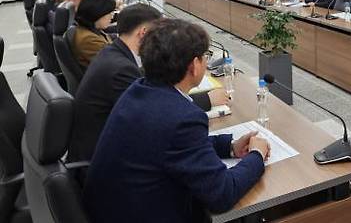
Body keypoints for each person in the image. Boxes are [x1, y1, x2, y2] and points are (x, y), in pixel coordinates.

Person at [83, 19, 270, 223]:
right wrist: (256, 155)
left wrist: (230, 146)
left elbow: (169, 144)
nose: (207, 62)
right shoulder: (182, 118)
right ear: (194, 66)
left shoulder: (139, 88)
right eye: (205, 57)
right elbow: (222, 195)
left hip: (112, 208)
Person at [68, 4, 229, 162]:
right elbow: (161, 114)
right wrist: (208, 99)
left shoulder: (114, 53)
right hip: (100, 160)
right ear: (144, 32)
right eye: (160, 33)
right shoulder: (120, 69)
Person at [71, 0, 116, 69]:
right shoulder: (88, 39)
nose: (111, 17)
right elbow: (115, 64)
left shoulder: (90, 30)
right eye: (109, 13)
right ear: (97, 12)